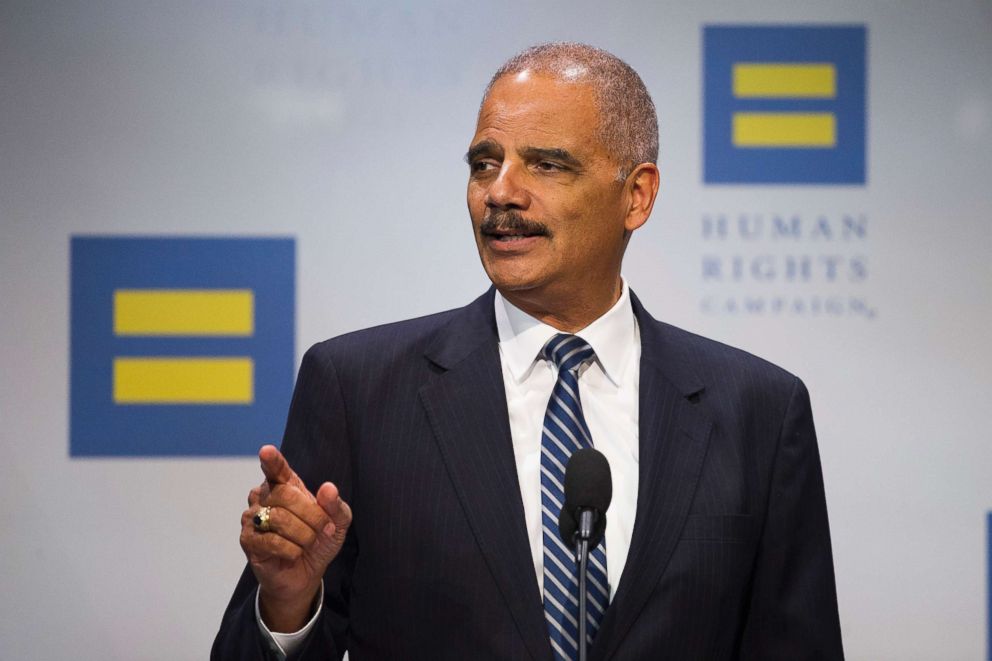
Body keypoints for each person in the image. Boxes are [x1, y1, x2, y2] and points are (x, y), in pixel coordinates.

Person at [213, 42, 844, 660]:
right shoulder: (359, 390)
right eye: (484, 164)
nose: (501, 193)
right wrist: (289, 607)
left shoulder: (759, 411)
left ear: (637, 195)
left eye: (547, 164)